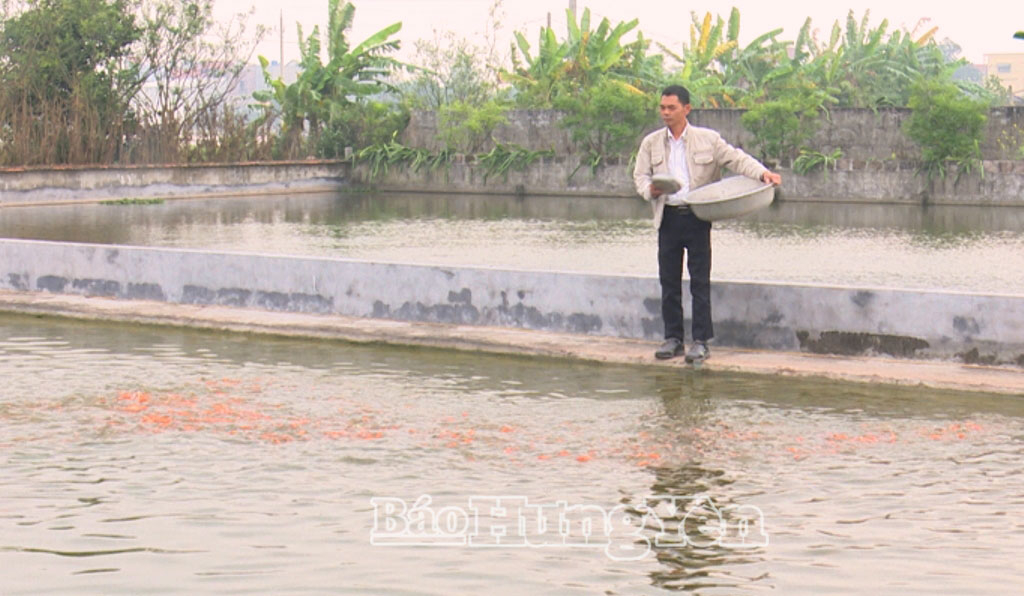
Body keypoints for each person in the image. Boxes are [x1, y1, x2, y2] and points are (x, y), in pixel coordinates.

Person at [633, 85, 781, 362]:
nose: (665, 113)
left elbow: (737, 159)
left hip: (697, 216)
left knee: (699, 281)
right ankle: (673, 339)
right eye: (662, 108)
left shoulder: (708, 139)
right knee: (669, 282)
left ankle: (700, 342)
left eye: (671, 108)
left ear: (686, 109)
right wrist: (649, 191)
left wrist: (763, 174)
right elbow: (640, 175)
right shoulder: (651, 143)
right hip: (668, 216)